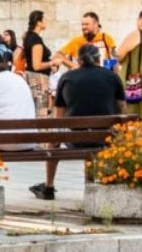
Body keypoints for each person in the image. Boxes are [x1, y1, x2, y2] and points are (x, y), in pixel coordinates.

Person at [36, 43, 125, 200]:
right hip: (104, 138)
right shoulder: (112, 77)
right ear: (98, 59)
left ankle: (49, 186)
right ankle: (111, 182)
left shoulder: (67, 77)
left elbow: (59, 118)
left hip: (75, 139)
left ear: (79, 60)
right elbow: (122, 111)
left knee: (54, 139)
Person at [20, 10, 54, 116]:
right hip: (38, 79)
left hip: (31, 77)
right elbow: (37, 65)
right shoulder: (35, 39)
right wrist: (52, 63)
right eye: (44, 19)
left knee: (34, 111)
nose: (46, 21)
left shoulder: (29, 37)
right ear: (39, 22)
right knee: (41, 112)